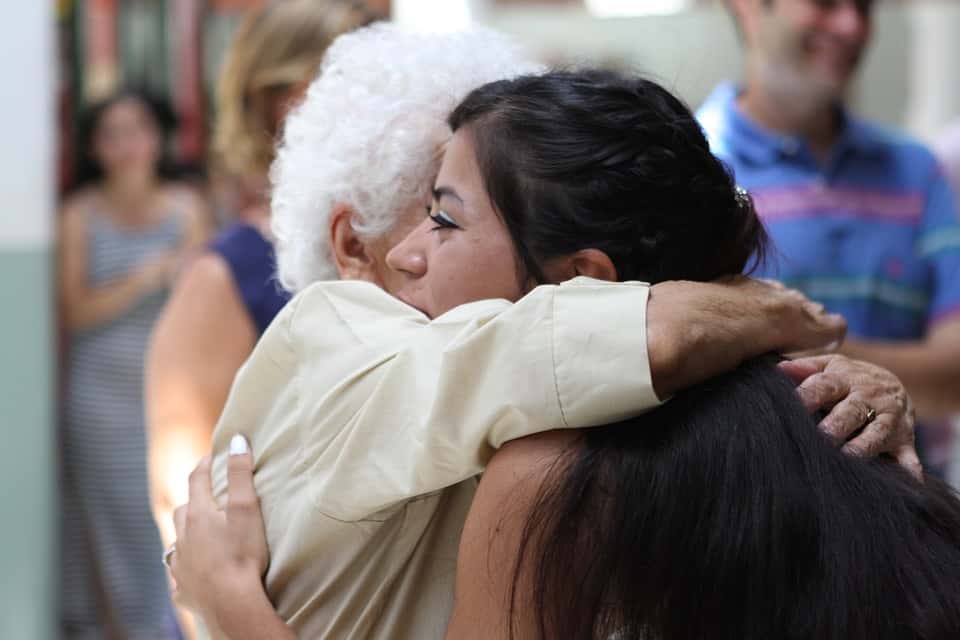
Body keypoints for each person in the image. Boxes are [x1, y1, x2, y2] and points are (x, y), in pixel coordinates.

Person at [166, 41, 916, 639]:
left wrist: (236, 614)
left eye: (448, 217)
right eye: (423, 208)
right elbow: (609, 337)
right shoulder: (342, 343)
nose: (408, 255)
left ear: (580, 274)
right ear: (350, 244)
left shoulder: (555, 455)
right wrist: (771, 317)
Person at [145, 0, 375, 550]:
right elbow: (183, 509)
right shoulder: (226, 272)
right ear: (280, 98)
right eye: (347, 76)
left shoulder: (398, 249)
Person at [697, 0, 960, 476]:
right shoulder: (695, 169)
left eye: (864, 8)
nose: (852, 27)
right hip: (749, 513)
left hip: (910, 522)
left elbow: (955, 372)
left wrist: (772, 340)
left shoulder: (918, 170)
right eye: (826, 4)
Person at [58, 89, 210, 638]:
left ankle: (177, 627)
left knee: (175, 521)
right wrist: (148, 275)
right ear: (94, 147)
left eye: (137, 130)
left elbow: (201, 303)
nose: (127, 146)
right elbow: (76, 310)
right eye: (111, 134)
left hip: (171, 397)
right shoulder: (79, 215)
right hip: (101, 402)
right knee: (117, 530)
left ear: (157, 138)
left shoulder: (188, 208)